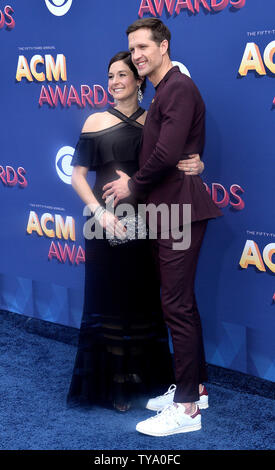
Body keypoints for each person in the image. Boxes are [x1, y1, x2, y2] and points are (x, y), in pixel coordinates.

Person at [102, 19, 222, 434]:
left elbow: (170, 152)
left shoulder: (177, 88)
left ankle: (188, 409)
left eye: (142, 47)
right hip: (166, 210)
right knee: (180, 303)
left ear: (164, 46)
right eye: (131, 49)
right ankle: (197, 388)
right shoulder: (163, 91)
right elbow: (174, 149)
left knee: (177, 305)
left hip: (180, 211)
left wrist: (132, 184)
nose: (136, 56)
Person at [67, 51, 204, 412]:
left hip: (148, 222)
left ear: (139, 79)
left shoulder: (153, 123)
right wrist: (99, 213)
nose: (114, 82)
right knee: (108, 300)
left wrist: (196, 162)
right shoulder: (94, 121)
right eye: (110, 76)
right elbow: (77, 176)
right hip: (102, 224)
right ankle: (113, 384)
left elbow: (170, 161)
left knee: (141, 302)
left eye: (122, 75)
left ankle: (145, 380)